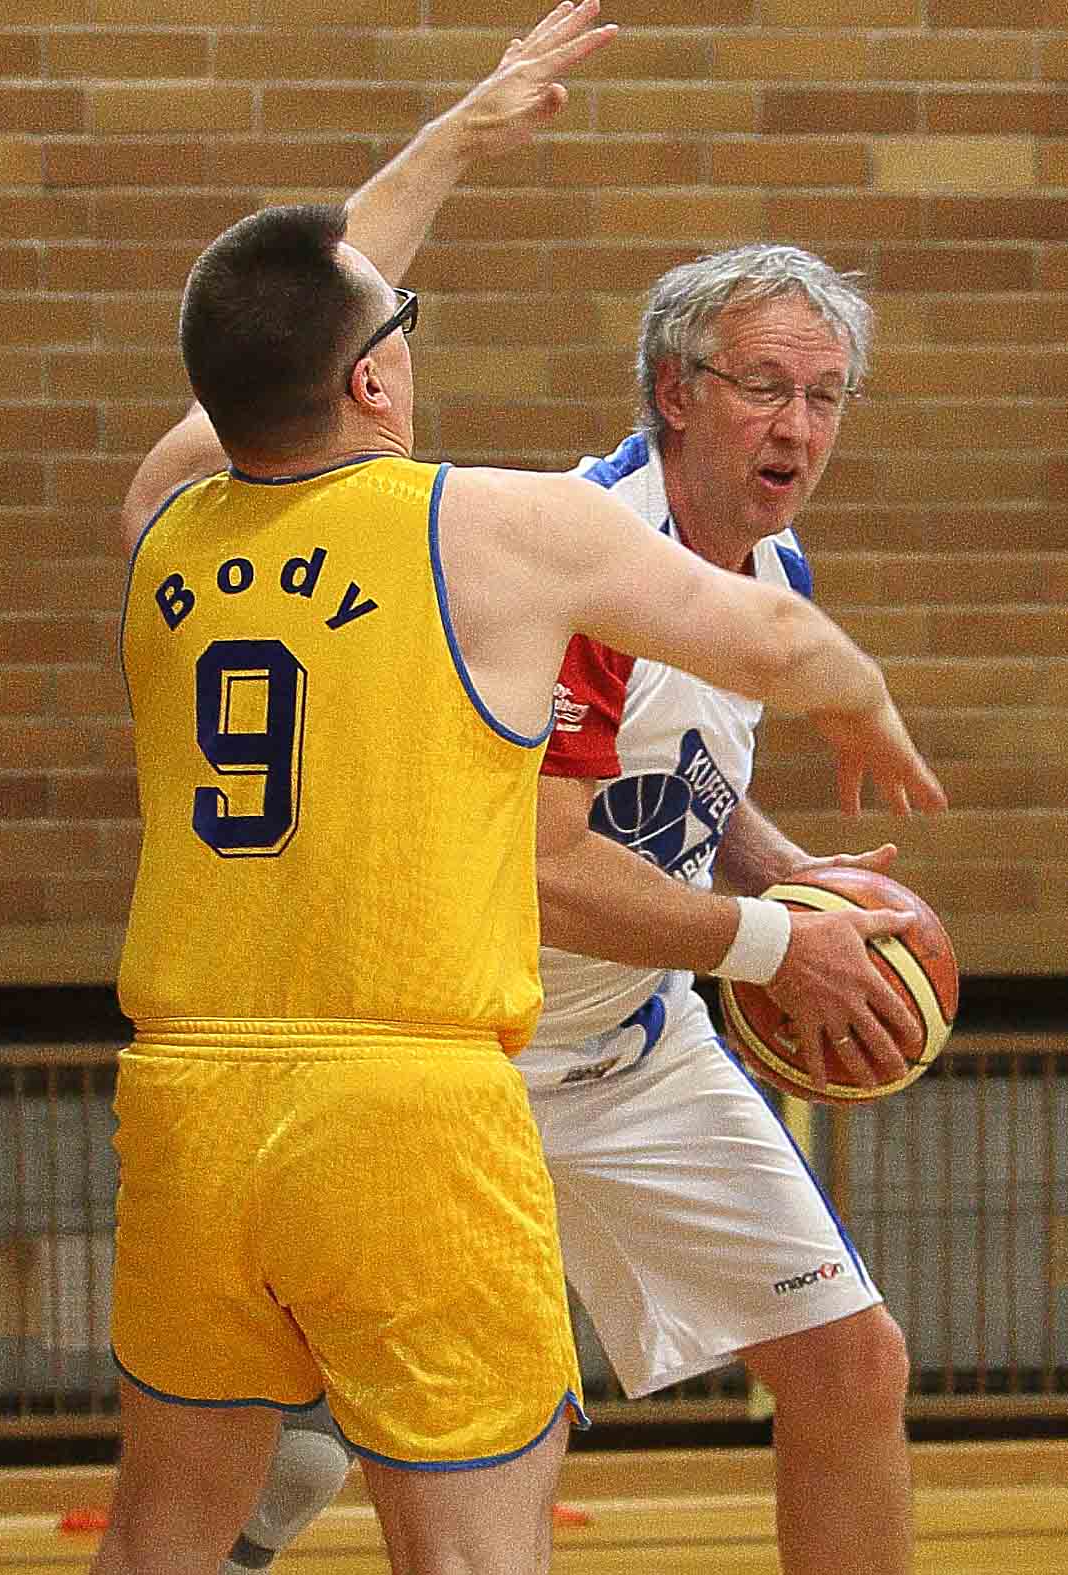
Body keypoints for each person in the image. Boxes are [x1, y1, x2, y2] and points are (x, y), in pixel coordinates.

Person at [215, 21, 940, 1575]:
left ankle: (292, 1429)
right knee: (494, 1450)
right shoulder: (588, 567)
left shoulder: (768, 564)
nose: (800, 429)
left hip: (632, 1046)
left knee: (852, 1366)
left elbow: (679, 788)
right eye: (765, 388)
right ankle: (283, 1443)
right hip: (462, 1057)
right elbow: (538, 870)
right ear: (675, 390)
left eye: (826, 396)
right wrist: (775, 943)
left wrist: (790, 873)